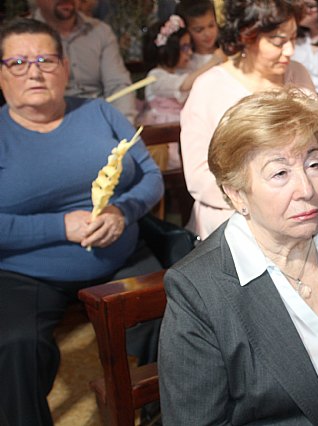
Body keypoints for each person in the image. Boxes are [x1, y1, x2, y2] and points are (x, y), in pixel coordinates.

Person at [160, 87, 318, 425]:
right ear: (237, 194)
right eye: (280, 173)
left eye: (314, 164)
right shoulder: (200, 290)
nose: (307, 190)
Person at [0, 18, 163, 426]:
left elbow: (151, 176)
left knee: (177, 317)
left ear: (66, 67)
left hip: (120, 254)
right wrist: (60, 227)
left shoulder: (99, 112)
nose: (34, 71)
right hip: (26, 270)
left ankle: (169, 413)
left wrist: (121, 212)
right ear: (2, 74)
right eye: (18, 62)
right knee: (14, 345)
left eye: (45, 59)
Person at [180, 0, 318, 238]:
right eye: (278, 41)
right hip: (236, 215)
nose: (290, 50)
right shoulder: (209, 88)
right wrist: (264, 203)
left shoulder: (298, 74)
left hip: (304, 207)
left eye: (293, 38)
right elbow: (199, 177)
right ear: (246, 37)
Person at [31, 0, 137, 122]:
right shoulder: (21, 37)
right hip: (48, 122)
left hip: (99, 119)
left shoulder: (100, 32)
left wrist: (123, 125)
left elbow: (118, 85)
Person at [139, 14, 219, 126]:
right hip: (164, 130)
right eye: (185, 47)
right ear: (169, 50)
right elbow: (185, 84)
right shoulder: (155, 76)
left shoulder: (180, 71)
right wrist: (214, 61)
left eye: (190, 46)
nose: (190, 52)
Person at [175, 0, 225, 72]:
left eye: (211, 26)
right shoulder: (186, 62)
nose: (208, 34)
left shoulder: (227, 50)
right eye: (199, 30)